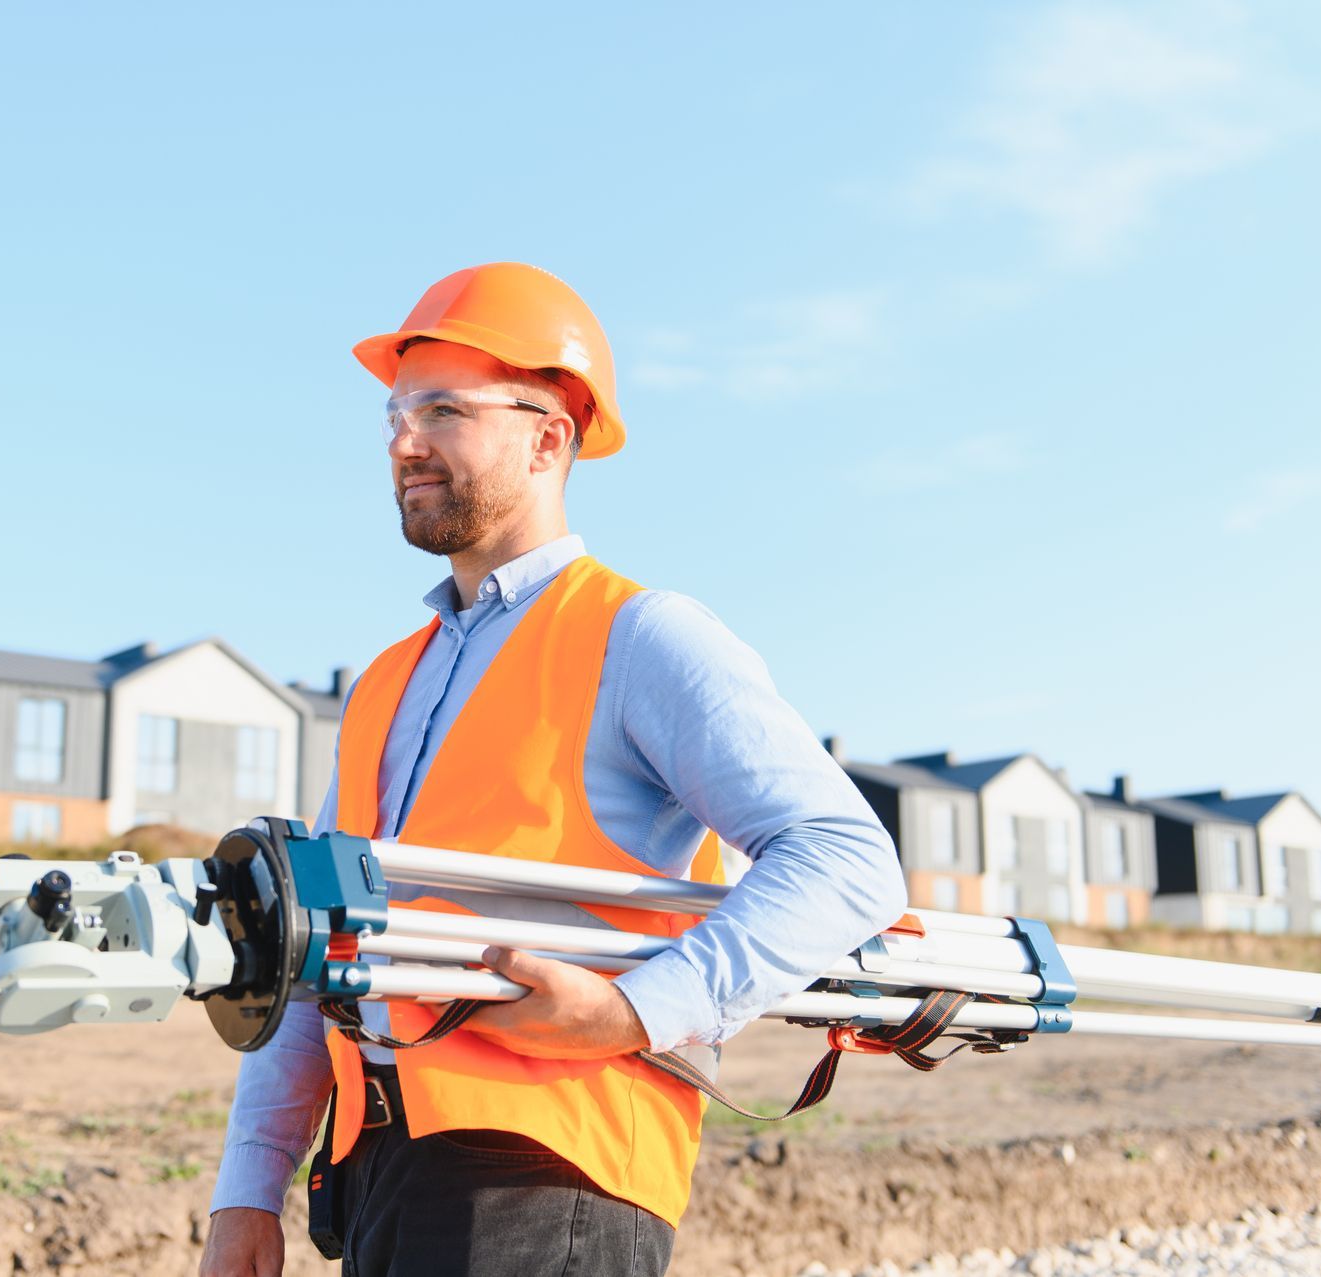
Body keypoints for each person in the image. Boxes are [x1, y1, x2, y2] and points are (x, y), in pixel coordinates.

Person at [201, 262, 908, 1277]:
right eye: (397, 412)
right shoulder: (383, 686)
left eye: (444, 409)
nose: (405, 440)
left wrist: (634, 1010)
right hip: (384, 1167)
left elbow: (845, 858)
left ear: (547, 436)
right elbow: (312, 942)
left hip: (554, 1169)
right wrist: (245, 1190)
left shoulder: (640, 637)